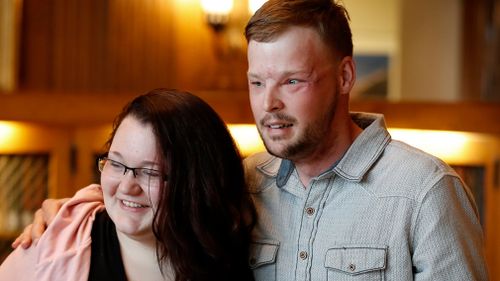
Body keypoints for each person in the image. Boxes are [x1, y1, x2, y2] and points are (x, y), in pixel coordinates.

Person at [12, 0, 489, 280]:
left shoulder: (424, 191)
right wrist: (72, 211)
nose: (269, 104)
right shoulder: (239, 180)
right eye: (257, 82)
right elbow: (150, 193)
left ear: (345, 76)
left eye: (292, 82)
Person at [1, 89, 256, 281]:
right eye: (117, 163)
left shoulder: (241, 253)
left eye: (150, 172)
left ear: (197, 183)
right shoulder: (59, 245)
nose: (126, 187)